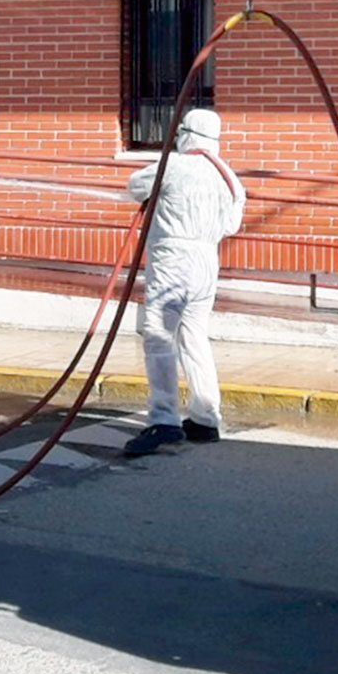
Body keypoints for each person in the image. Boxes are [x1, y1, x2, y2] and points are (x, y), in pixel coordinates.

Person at [122, 108, 246, 457]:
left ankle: (164, 419)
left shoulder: (174, 166)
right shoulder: (228, 177)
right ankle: (206, 417)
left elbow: (135, 186)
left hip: (173, 259)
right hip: (207, 261)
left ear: (185, 134)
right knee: (194, 337)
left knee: (159, 336)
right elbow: (231, 226)